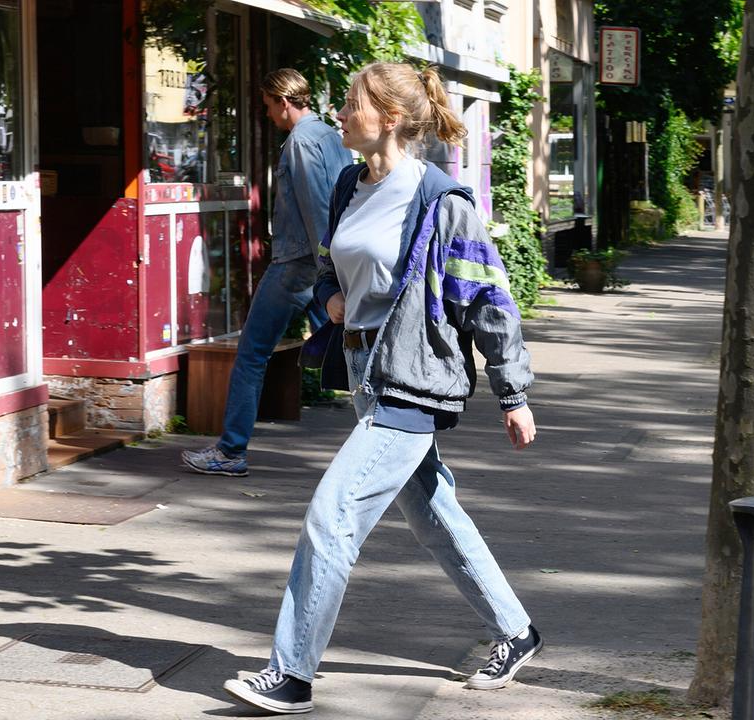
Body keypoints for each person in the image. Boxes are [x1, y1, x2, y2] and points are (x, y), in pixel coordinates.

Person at [221, 62, 541, 715]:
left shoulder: (439, 201)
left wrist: (514, 392)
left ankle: (292, 672)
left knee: (331, 518)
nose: (339, 114)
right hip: (364, 377)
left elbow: (488, 299)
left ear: (389, 119)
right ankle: (517, 630)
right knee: (433, 514)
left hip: (414, 381)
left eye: (350, 105)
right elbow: (327, 265)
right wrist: (332, 297)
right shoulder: (348, 183)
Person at [181, 68, 352, 478]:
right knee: (349, 350)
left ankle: (230, 452)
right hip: (326, 264)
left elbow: (314, 208)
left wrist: (325, 267)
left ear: (284, 102)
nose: (269, 116)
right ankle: (393, 434)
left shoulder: (300, 142)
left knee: (252, 354)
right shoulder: (332, 136)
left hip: (298, 264)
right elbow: (346, 199)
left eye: (269, 107)